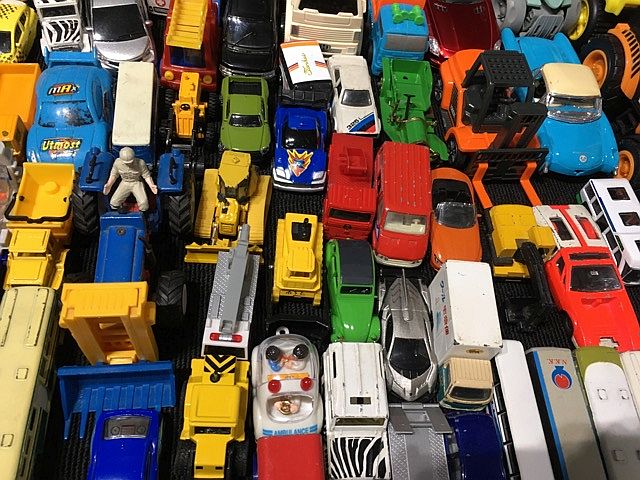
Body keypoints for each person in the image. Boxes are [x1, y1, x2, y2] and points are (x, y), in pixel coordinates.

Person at [103, 147, 157, 212]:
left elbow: (146, 176)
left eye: (130, 162)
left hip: (137, 182)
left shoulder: (141, 163)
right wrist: (109, 184)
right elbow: (114, 175)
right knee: (114, 202)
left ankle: (143, 214)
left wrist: (151, 185)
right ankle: (119, 213)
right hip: (125, 182)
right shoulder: (117, 163)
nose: (128, 164)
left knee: (144, 204)